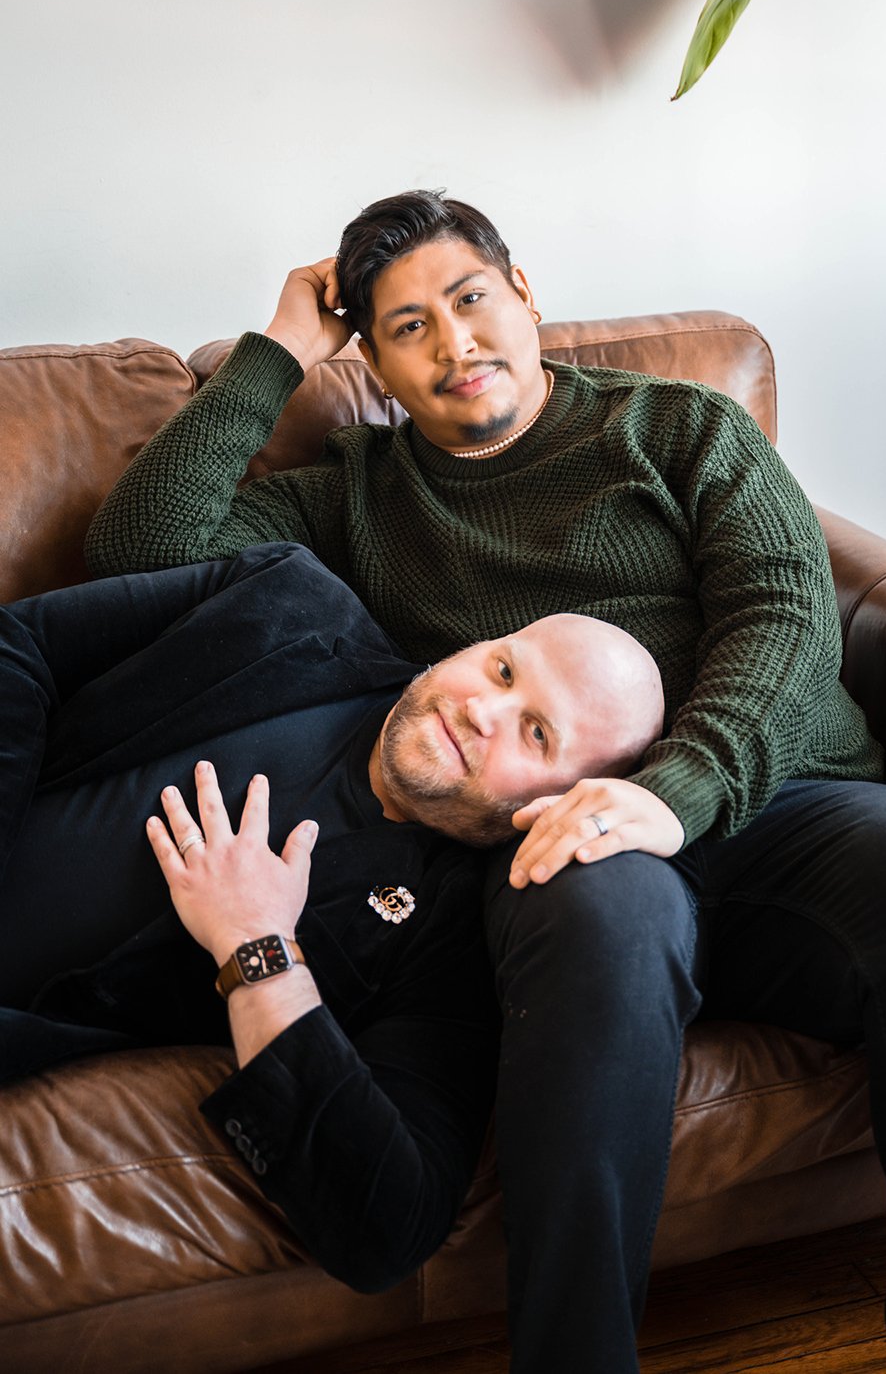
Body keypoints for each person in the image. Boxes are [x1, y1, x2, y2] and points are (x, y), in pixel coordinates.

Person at [85, 192, 886, 1373]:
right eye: (406, 327)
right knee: (597, 923)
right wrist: (272, 356)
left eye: (469, 300)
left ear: (523, 294)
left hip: (780, 801)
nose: (454, 343)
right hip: (549, 834)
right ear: (369, 359)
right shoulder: (357, 498)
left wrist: (676, 789)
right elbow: (137, 555)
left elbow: (785, 608)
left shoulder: (678, 429)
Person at [0, 539, 664, 1294]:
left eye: (536, 732)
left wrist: (257, 946)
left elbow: (391, 1226)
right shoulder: (286, 596)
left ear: (558, 804)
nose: (483, 709)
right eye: (504, 668)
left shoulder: (449, 941)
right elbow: (17, 644)